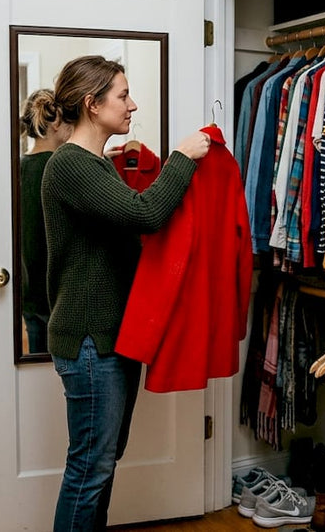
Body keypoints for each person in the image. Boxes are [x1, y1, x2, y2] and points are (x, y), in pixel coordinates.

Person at [41, 55, 211, 531]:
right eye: (123, 95)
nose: (132, 105)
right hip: (90, 341)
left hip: (111, 338)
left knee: (102, 461)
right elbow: (145, 215)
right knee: (90, 468)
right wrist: (181, 158)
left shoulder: (96, 164)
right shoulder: (71, 166)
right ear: (93, 105)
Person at [18, 88, 72, 354]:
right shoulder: (59, 168)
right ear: (56, 122)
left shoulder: (18, 167)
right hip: (57, 298)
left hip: (29, 294)